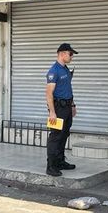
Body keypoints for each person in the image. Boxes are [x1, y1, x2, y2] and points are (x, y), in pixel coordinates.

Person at [45, 43, 78, 177]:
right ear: (62, 53)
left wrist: (73, 105)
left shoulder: (65, 69)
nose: (71, 57)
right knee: (55, 136)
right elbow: (48, 94)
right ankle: (51, 166)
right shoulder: (54, 71)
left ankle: (60, 161)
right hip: (57, 109)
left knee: (64, 134)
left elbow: (68, 89)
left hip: (67, 107)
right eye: (70, 54)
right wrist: (52, 112)